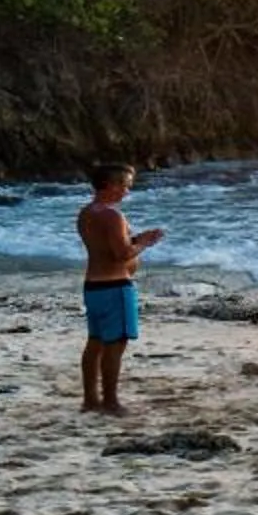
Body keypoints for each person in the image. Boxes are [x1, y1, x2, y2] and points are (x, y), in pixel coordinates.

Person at [77, 163, 163, 416]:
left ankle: (90, 399)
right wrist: (144, 243)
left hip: (93, 286)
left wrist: (136, 239)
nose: (127, 192)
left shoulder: (87, 213)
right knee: (115, 344)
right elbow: (121, 254)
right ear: (111, 185)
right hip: (115, 286)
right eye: (125, 186)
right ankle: (111, 402)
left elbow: (106, 248)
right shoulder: (113, 216)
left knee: (95, 343)